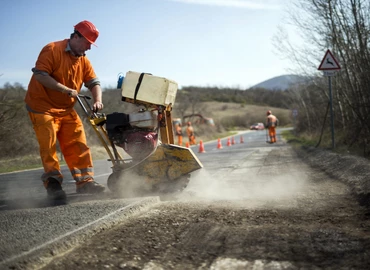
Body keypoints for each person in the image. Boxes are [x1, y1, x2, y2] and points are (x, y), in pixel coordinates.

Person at [24, 20, 105, 199]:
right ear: (76, 37)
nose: (89, 49)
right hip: (42, 106)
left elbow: (93, 82)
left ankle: (85, 182)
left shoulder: (83, 60)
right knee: (49, 144)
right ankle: (53, 184)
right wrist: (65, 89)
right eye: (87, 44)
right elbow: (40, 75)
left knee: (78, 142)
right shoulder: (52, 49)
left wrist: (98, 100)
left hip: (65, 108)